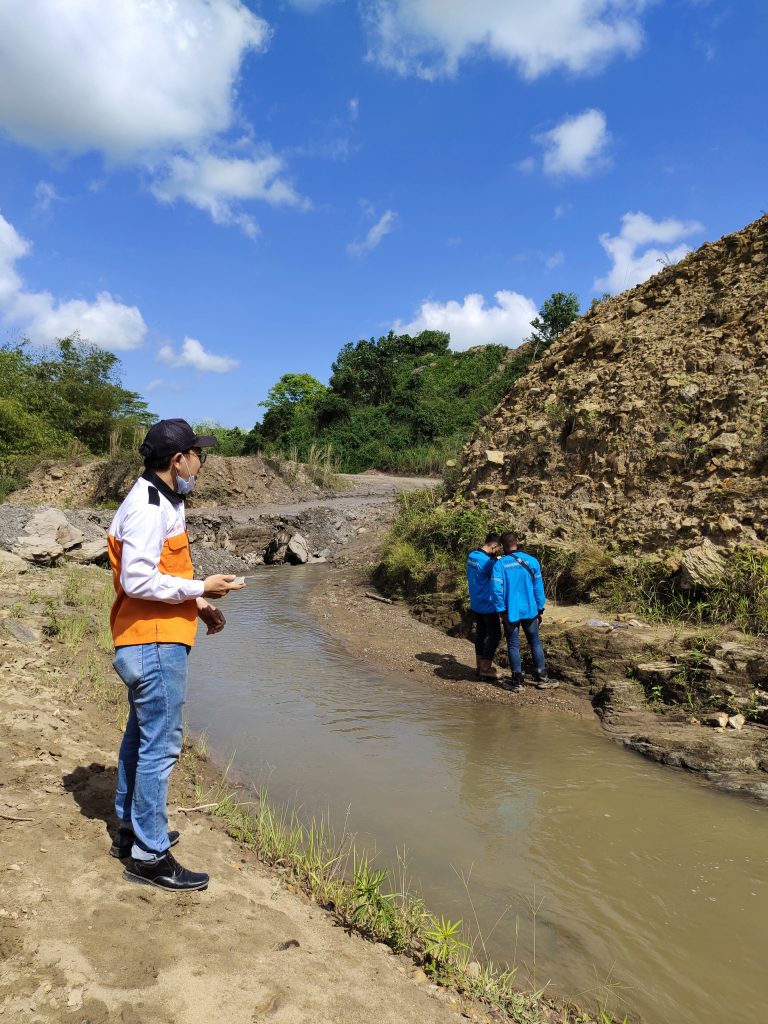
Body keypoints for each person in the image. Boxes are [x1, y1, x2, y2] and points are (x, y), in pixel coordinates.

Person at [107, 418, 245, 892]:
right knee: (160, 747)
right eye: (197, 455)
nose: (201, 465)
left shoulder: (161, 500)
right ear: (177, 460)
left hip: (147, 636)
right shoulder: (148, 507)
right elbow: (138, 580)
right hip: (153, 642)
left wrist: (199, 603)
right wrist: (201, 585)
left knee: (139, 740)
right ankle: (149, 855)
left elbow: (160, 572)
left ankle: (131, 833)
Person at [491, 532, 557, 693]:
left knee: (513, 645)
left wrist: (502, 612)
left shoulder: (500, 565)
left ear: (503, 546)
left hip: (510, 612)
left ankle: (517, 682)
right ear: (517, 543)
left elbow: (496, 590)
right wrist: (540, 609)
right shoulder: (532, 561)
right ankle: (542, 678)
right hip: (530, 610)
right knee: (535, 642)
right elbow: (538, 589)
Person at [466, 532, 503, 680]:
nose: (498, 551)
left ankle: (479, 665)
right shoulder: (488, 563)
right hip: (488, 604)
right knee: (495, 635)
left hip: (476, 603)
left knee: (481, 634)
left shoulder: (472, 556)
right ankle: (486, 669)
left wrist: (493, 559)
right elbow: (497, 576)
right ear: (494, 546)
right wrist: (497, 561)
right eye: (498, 549)